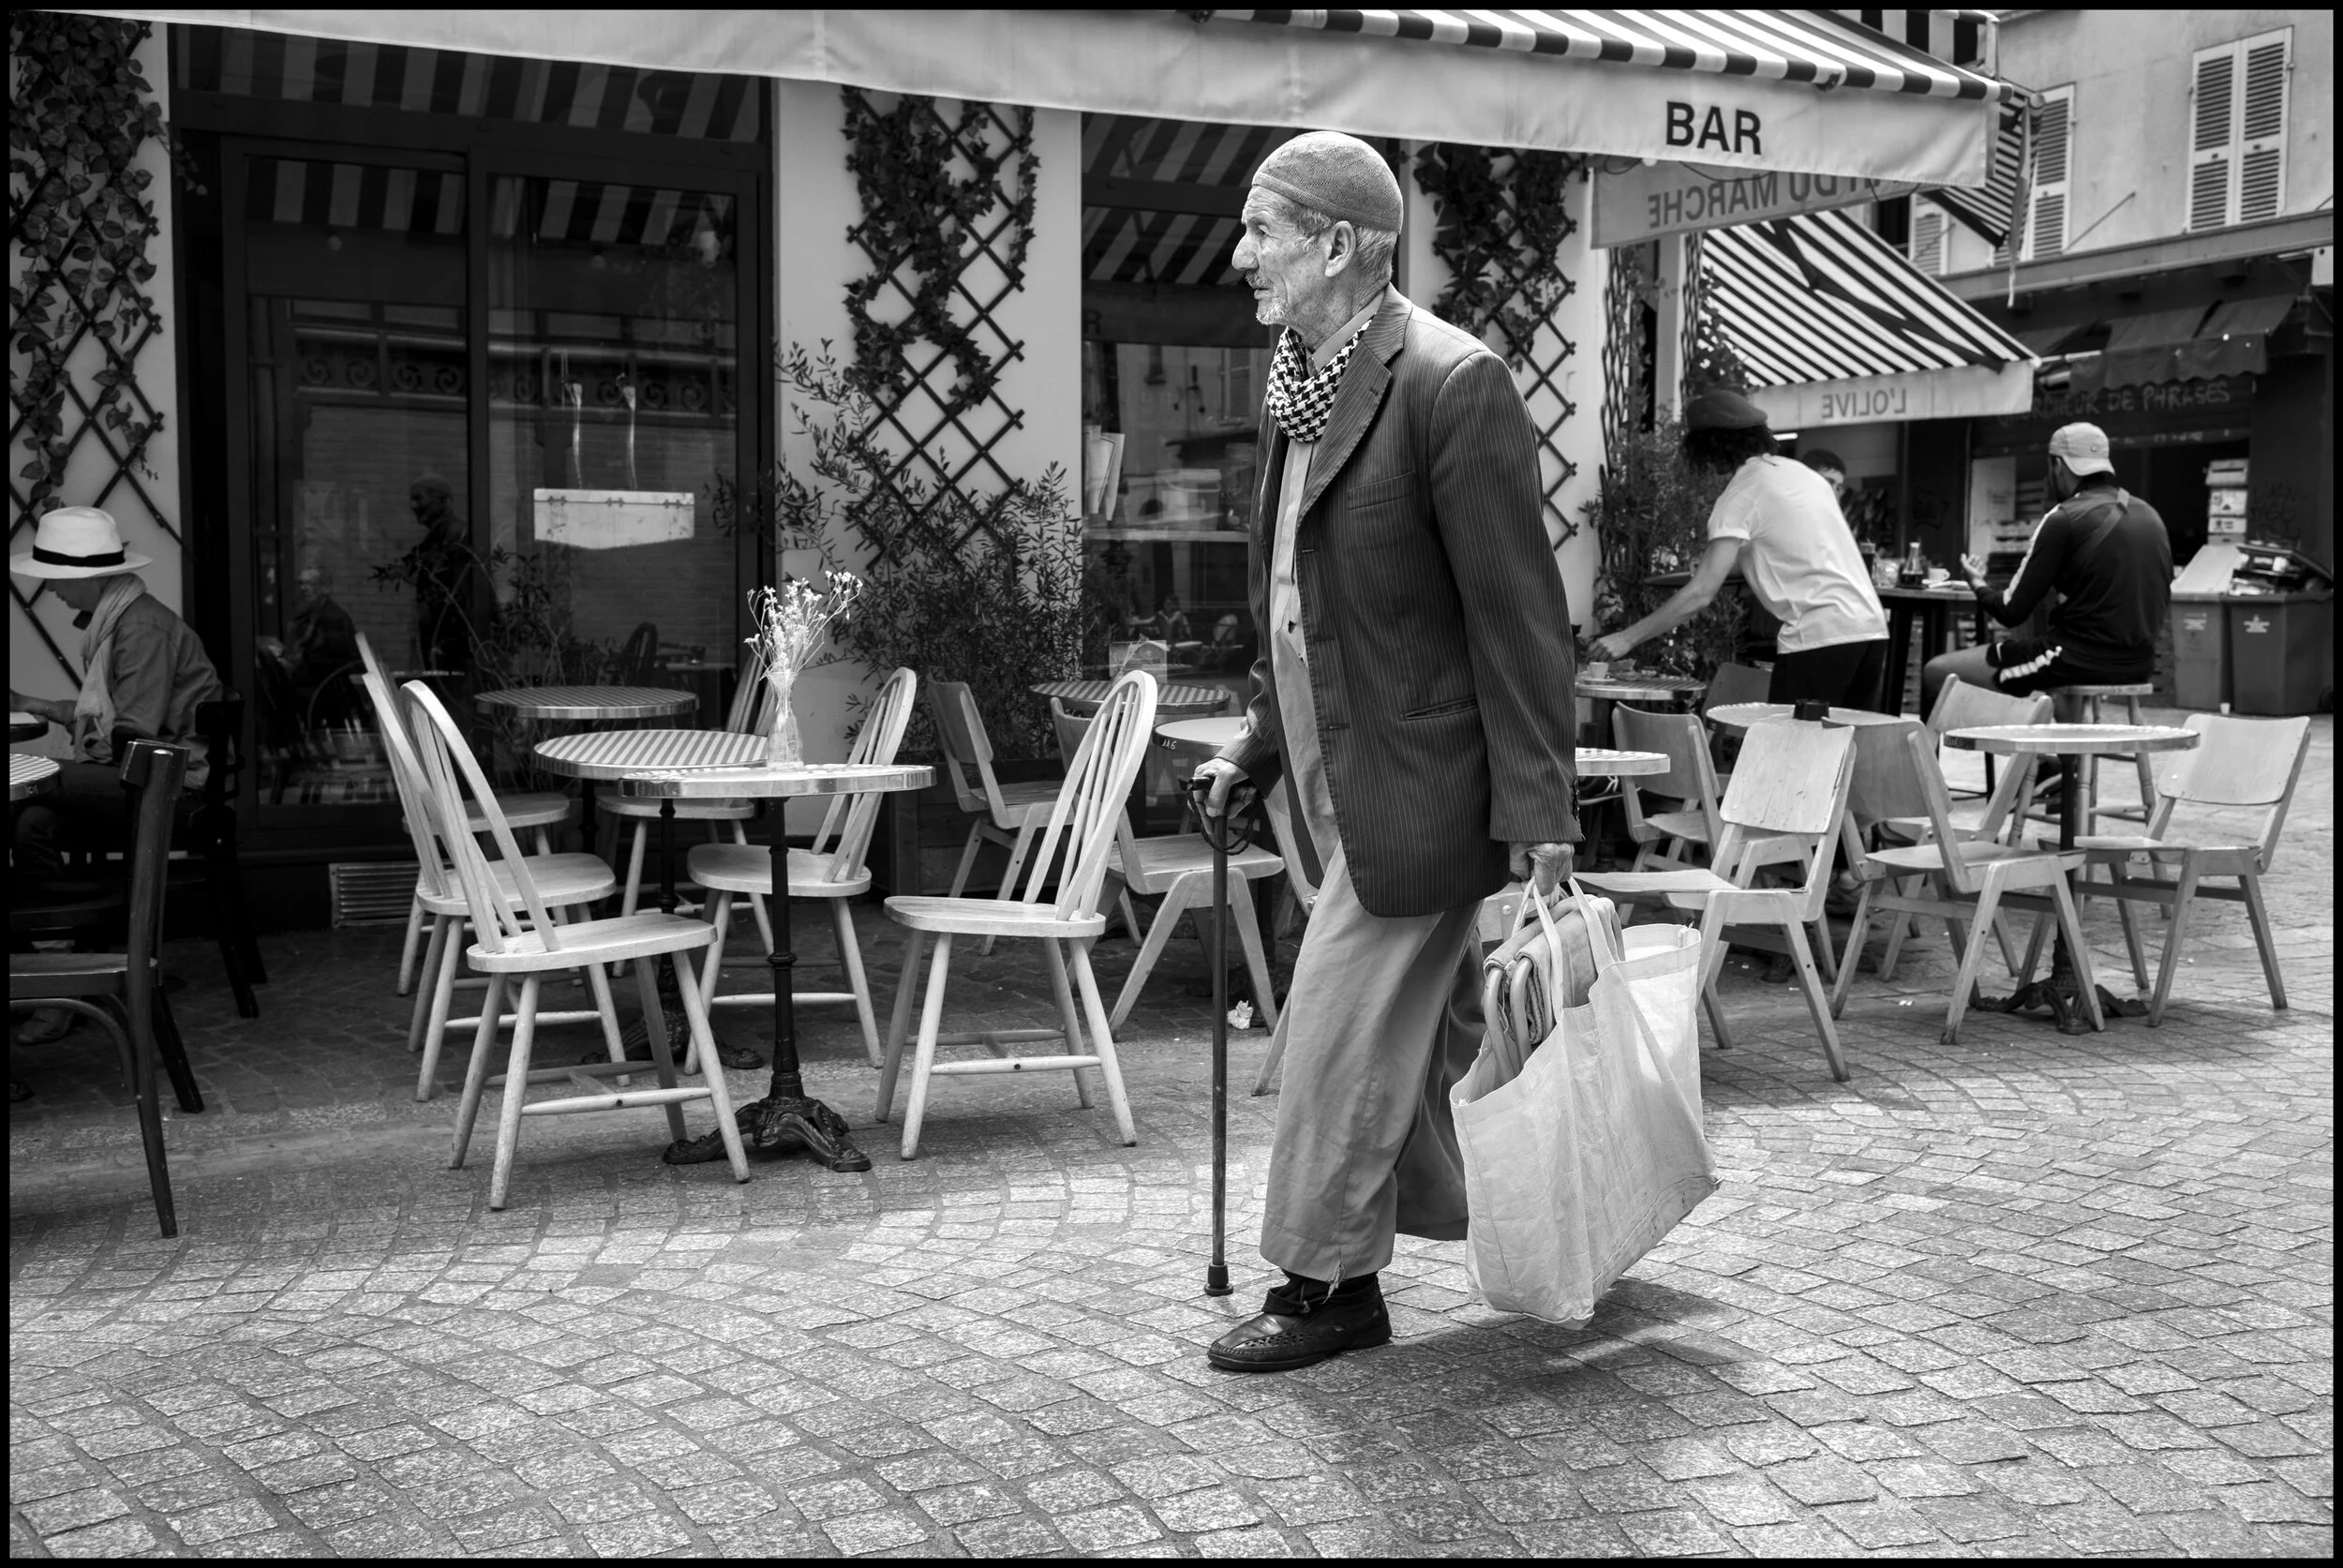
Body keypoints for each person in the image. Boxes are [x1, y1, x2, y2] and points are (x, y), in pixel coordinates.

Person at [1190, 132, 1580, 1374]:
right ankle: (1554, 1212)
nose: (1241, 253)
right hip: (1327, 778)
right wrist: (1258, 744)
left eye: (1263, 228)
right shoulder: (1300, 384)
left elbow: (1517, 620)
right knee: (1434, 1038)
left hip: (1424, 782)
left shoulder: (1450, 384)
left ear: (1340, 242)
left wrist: (1541, 814)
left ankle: (1327, 1284)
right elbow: (1301, 603)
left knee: (1334, 1026)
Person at [10, 508, 225, 1046]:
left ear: (89, 577)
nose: (52, 591)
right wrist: (31, 703)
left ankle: (63, 973)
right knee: (30, 821)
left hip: (166, 786)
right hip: (140, 773)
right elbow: (117, 723)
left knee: (29, 781)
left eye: (58, 580)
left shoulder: (141, 628)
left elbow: (135, 735)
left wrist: (69, 762)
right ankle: (61, 971)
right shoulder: (122, 619)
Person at [1592, 388, 1889, 709]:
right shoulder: (1802, 475)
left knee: (1791, 753)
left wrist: (1625, 638)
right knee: (1844, 749)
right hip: (1870, 631)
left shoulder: (1742, 493)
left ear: (1707, 447)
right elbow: (1788, 552)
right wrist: (1712, 565)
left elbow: (1699, 594)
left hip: (1819, 638)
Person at [1922, 422, 2171, 713]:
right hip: (2140, 665)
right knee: (2053, 673)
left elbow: (2010, 610)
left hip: (2075, 661)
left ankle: (2025, 753)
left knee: (1936, 671)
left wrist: (1978, 583)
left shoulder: (2064, 518)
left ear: (2058, 465)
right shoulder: (2150, 515)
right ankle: (2057, 759)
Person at [400, 473, 471, 673]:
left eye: (419, 498)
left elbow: (460, 593)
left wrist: (446, 641)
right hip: (439, 641)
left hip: (450, 644)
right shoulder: (438, 537)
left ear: (443, 501)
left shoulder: (455, 535)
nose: (413, 506)